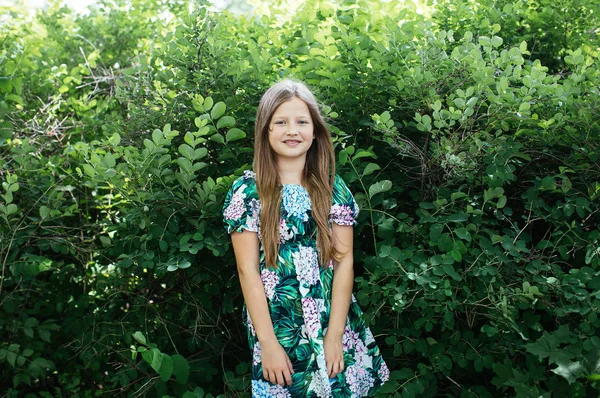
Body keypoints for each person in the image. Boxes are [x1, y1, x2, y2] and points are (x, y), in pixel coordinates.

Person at [222, 79, 389, 397]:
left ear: (315, 131)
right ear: (266, 130)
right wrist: (268, 343)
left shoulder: (331, 188)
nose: (292, 131)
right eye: (281, 122)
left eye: (302, 121)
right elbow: (248, 272)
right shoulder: (248, 192)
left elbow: (344, 262)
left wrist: (335, 335)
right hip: (278, 324)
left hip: (331, 316)